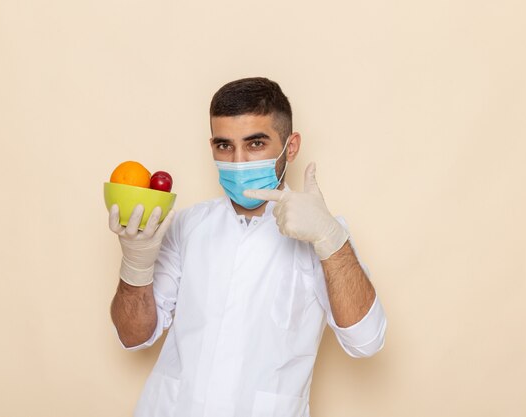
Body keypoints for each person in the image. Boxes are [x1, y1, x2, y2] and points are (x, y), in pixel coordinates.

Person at [108, 77, 387, 417]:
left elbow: (367, 340)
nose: (238, 162)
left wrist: (330, 240)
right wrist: (135, 266)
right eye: (225, 145)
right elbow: (133, 336)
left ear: (292, 146)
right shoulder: (186, 225)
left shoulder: (324, 234)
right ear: (211, 146)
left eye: (255, 143)